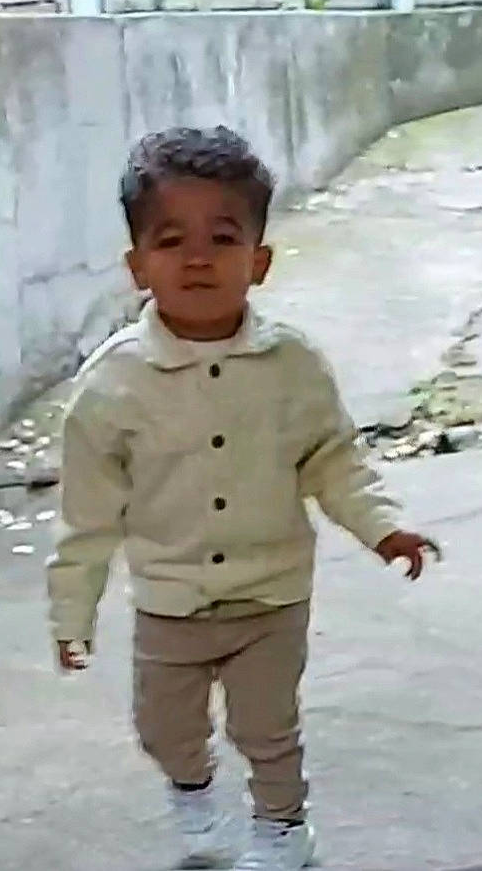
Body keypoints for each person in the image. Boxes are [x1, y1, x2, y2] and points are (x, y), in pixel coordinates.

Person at [47, 126, 440, 871]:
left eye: (222, 237)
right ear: (138, 265)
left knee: (267, 727)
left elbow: (335, 457)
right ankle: (193, 794)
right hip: (170, 602)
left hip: (271, 596)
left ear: (257, 261)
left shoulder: (293, 364)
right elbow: (88, 517)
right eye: (171, 240)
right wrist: (72, 612)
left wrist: (382, 528)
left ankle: (283, 828)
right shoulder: (110, 388)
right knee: (165, 729)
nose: (197, 258)